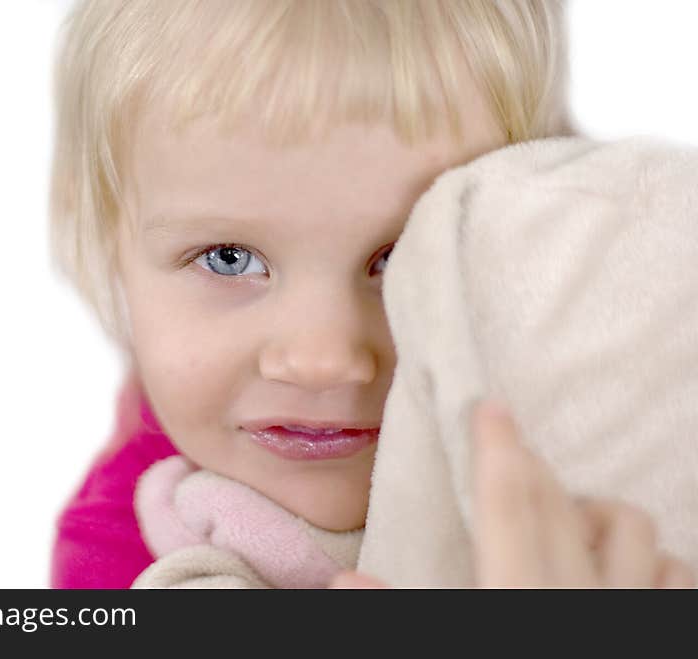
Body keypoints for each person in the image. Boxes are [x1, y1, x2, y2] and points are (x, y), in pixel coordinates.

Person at [47, 0, 693, 588]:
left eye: (404, 256)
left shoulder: (616, 428)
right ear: (111, 247)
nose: (324, 357)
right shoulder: (123, 552)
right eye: (229, 258)